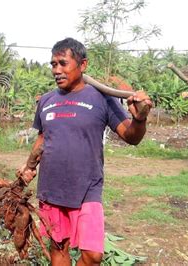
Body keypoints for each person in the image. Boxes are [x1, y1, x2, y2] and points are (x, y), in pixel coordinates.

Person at [18, 38, 152, 266]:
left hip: (87, 188)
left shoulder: (102, 98)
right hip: (52, 188)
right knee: (59, 249)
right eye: (53, 64)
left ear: (83, 64)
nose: (56, 70)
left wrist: (139, 118)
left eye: (63, 63)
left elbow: (131, 137)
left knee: (92, 256)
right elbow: (42, 139)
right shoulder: (47, 101)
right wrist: (29, 167)